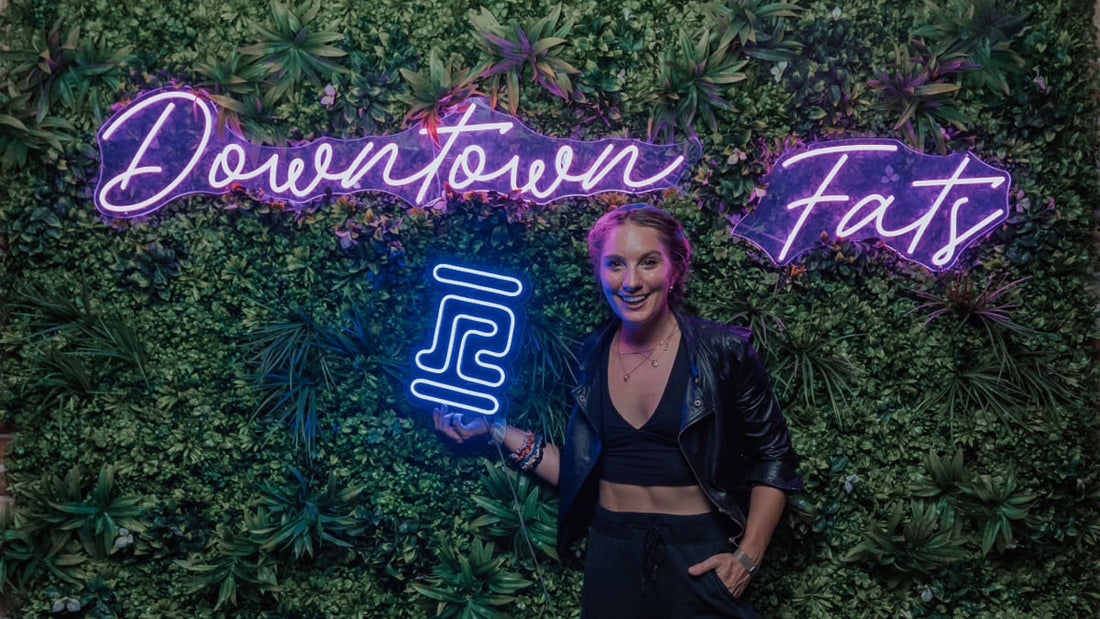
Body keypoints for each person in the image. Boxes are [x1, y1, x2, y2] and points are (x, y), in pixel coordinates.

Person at [434, 203, 801, 618]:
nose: (631, 281)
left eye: (648, 262)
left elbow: (774, 457)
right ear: (599, 272)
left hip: (698, 556)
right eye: (614, 264)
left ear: (675, 269)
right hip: (612, 556)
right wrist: (494, 429)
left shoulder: (722, 351)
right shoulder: (589, 356)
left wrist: (748, 557)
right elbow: (581, 468)